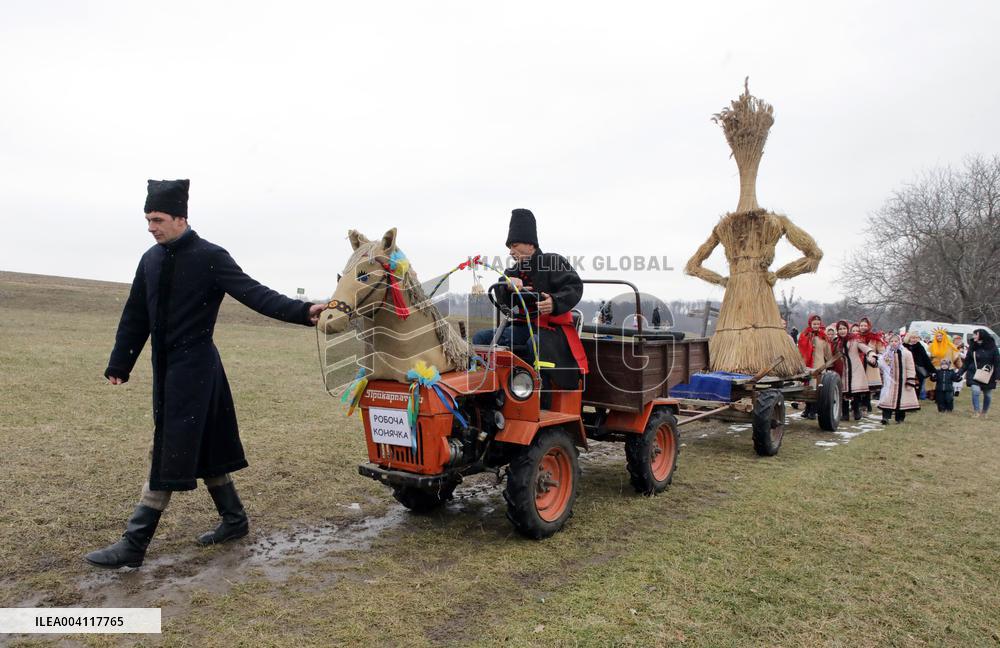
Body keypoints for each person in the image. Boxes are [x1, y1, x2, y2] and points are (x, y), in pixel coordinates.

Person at [85, 180, 326, 569]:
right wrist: (120, 363)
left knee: (169, 449)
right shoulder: (150, 259)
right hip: (167, 369)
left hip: (196, 369)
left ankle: (134, 542)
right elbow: (135, 314)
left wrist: (303, 311)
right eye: (147, 219)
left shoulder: (211, 256)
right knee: (209, 445)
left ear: (181, 217)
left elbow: (255, 293)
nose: (151, 227)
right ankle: (234, 520)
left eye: (158, 219)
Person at [471, 208, 588, 391]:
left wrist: (555, 302)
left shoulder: (552, 262)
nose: (511, 251)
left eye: (514, 245)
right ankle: (490, 387)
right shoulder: (513, 271)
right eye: (509, 247)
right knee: (481, 338)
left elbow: (575, 287)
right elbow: (503, 300)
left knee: (528, 341)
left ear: (530, 245)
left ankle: (530, 391)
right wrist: (507, 284)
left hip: (551, 330)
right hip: (522, 327)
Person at [832, 320, 876, 421]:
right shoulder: (837, 342)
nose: (842, 331)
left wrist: (871, 354)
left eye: (844, 329)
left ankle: (856, 411)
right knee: (843, 392)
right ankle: (845, 414)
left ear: (847, 329)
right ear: (837, 331)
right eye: (840, 329)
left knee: (855, 391)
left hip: (855, 368)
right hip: (843, 370)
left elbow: (865, 348)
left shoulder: (855, 340)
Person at [878, 333, 920, 424]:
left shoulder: (906, 353)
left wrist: (910, 379)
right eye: (891, 341)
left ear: (899, 342)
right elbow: (883, 366)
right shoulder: (886, 353)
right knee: (887, 398)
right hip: (890, 381)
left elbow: (910, 367)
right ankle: (885, 417)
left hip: (903, 381)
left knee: (902, 399)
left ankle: (900, 418)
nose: (894, 343)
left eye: (896, 341)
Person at [797, 314, 832, 419]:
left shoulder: (823, 337)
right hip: (806, 365)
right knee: (807, 388)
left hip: (819, 365)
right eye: (814, 324)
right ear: (810, 324)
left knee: (817, 389)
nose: (816, 326)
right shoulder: (804, 335)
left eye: (818, 324)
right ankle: (807, 409)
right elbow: (800, 350)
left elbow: (827, 352)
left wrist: (829, 363)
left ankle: (813, 411)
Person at [960, 329, 999, 418]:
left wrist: (997, 376)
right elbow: (967, 362)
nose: (973, 336)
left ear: (981, 335)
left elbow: (997, 362)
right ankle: (976, 411)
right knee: (975, 391)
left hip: (988, 374)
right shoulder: (972, 346)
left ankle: (984, 412)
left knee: (988, 395)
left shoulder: (993, 347)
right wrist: (960, 372)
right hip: (973, 372)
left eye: (975, 335)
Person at [858, 318, 886, 413]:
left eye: (865, 325)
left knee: (867, 386)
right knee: (859, 385)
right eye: (861, 325)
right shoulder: (856, 337)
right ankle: (859, 404)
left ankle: (866, 404)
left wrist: (876, 358)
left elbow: (881, 351)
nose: (863, 327)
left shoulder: (874, 337)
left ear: (869, 326)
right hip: (859, 363)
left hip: (870, 364)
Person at [903, 332, 936, 400]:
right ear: (909, 338)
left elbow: (925, 359)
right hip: (906, 368)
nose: (914, 339)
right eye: (913, 338)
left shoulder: (920, 347)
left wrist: (932, 370)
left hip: (918, 369)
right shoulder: (903, 347)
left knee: (917, 384)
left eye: (916, 338)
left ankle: (915, 398)